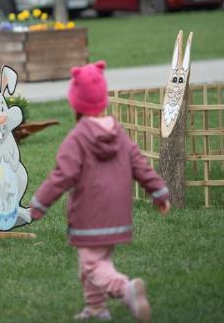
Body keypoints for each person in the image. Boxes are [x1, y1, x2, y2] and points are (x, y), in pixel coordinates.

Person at [29, 60, 171, 322]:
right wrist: (159, 192)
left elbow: (62, 176)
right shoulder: (118, 132)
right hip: (118, 213)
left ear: (75, 103)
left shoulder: (78, 138)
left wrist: (38, 204)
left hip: (90, 214)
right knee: (92, 263)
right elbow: (139, 164)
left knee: (93, 265)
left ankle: (124, 289)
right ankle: (96, 309)